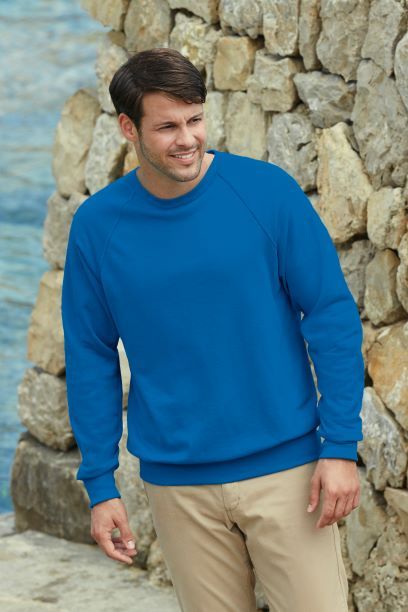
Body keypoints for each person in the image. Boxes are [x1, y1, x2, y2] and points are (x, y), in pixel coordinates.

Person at [61, 47, 364, 612]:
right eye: (167, 127)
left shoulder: (266, 194)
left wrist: (341, 446)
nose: (188, 139)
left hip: (289, 473)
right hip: (178, 486)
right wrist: (100, 484)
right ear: (128, 128)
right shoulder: (98, 227)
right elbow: (89, 356)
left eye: (195, 119)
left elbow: (331, 315)